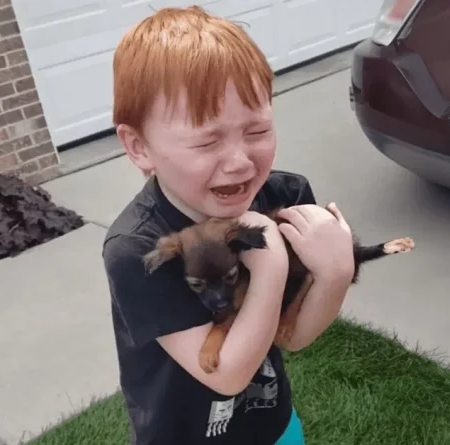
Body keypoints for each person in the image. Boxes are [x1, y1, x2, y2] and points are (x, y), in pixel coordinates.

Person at [102, 6, 355, 445]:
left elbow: (292, 335)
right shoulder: (139, 247)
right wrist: (271, 264)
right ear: (139, 146)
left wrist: (336, 273)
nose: (240, 162)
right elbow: (227, 374)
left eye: (257, 131)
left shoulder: (285, 198)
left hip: (274, 425)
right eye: (206, 140)